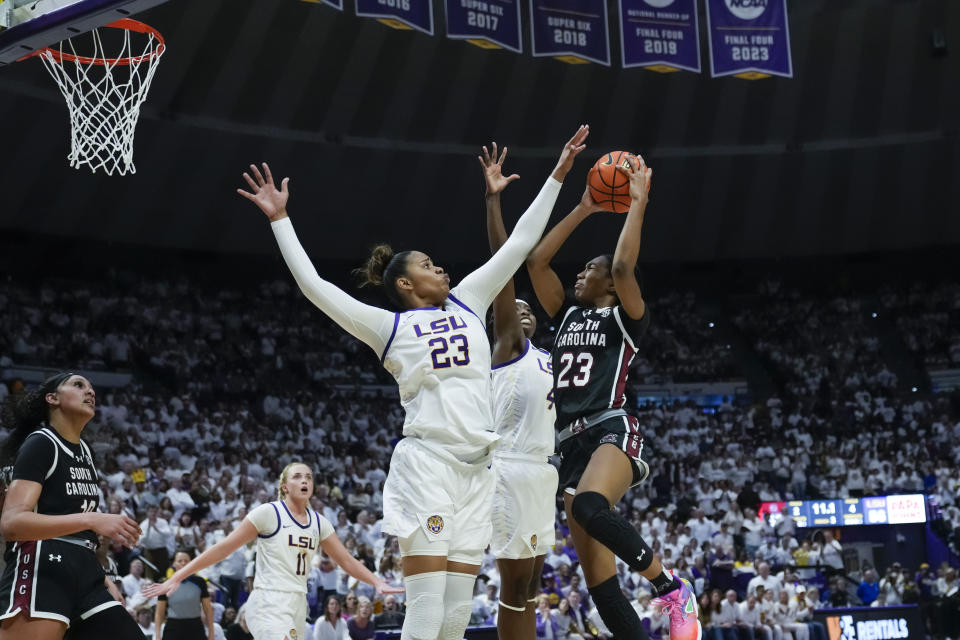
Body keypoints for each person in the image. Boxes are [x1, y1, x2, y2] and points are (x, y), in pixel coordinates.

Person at [235, 126, 588, 640]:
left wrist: (558, 173)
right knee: (424, 614)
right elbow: (315, 288)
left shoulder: (469, 298)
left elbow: (520, 244)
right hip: (428, 467)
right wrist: (281, 220)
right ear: (405, 284)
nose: (439, 266)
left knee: (454, 618)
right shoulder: (389, 327)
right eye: (427, 265)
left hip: (478, 473)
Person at [527, 154, 699, 640]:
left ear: (609, 281)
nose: (579, 274)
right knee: (600, 585)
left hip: (609, 427)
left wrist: (636, 203)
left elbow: (624, 263)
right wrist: (583, 206)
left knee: (588, 507)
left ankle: (671, 591)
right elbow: (537, 260)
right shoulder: (564, 315)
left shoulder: (626, 316)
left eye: (589, 268)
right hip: (567, 443)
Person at [144, 463, 398, 640]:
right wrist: (176, 577)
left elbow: (345, 560)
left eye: (309, 477)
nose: (305, 480)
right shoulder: (269, 513)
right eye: (298, 476)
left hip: (298, 601)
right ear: (285, 486)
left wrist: (376, 581)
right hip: (268, 600)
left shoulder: (320, 522)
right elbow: (223, 548)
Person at [480, 142, 560, 640]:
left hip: (543, 471)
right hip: (508, 467)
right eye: (516, 308)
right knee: (513, 584)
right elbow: (506, 265)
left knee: (532, 582)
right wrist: (494, 203)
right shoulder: (509, 346)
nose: (523, 310)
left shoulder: (549, 359)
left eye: (531, 310)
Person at [0, 372, 144, 640]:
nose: (90, 392)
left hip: (85, 572)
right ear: (52, 398)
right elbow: (12, 524)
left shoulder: (85, 452)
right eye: (78, 385)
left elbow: (77, 530)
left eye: (91, 388)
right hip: (42, 565)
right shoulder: (42, 443)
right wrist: (91, 520)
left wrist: (100, 577)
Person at [154, 550, 214, 640]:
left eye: (186, 561)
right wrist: (157, 636)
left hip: (195, 627)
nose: (183, 563)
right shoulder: (164, 583)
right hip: (173, 628)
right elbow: (159, 613)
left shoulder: (200, 582)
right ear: (174, 564)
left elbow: (208, 610)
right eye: (180, 561)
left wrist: (211, 634)